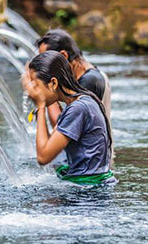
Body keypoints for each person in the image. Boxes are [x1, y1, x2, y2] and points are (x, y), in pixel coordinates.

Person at [22, 51, 116, 185]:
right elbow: (50, 143)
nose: (31, 90)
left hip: (88, 194)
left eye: (35, 85)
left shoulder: (78, 109)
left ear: (53, 83)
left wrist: (41, 105)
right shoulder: (81, 100)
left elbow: (43, 156)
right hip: (90, 185)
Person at [36, 29, 114, 166]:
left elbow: (60, 128)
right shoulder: (90, 75)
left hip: (92, 167)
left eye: (46, 62)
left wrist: (47, 96)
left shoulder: (88, 83)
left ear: (63, 56)